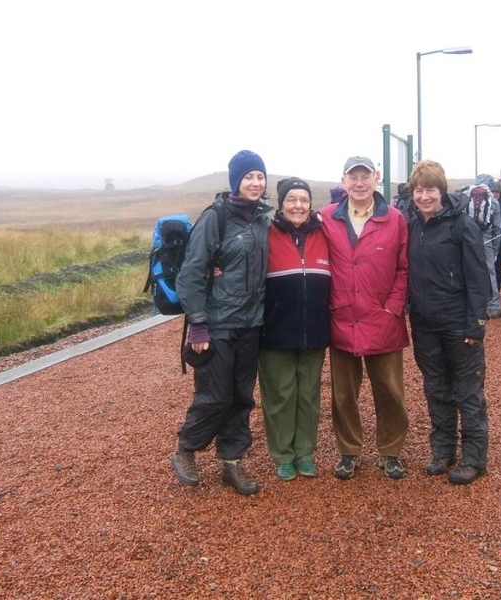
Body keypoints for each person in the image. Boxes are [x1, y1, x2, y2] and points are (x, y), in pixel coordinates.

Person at [169, 149, 273, 496]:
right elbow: (191, 274)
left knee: (242, 397)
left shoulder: (262, 220)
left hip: (251, 324)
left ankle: (232, 462)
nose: (255, 183)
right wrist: (198, 323)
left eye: (260, 176)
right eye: (249, 177)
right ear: (235, 181)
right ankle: (187, 448)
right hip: (217, 324)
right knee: (214, 395)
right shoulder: (216, 218)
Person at [318, 156, 410, 480]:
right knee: (343, 394)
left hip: (383, 320)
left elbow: (403, 268)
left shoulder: (396, 219)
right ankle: (349, 451)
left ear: (376, 179)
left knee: (390, 391)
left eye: (365, 176)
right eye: (353, 176)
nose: (359, 182)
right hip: (341, 320)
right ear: (343, 181)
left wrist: (393, 307)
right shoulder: (326, 218)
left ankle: (390, 451)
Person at [405, 160, 490, 485]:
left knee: (467, 393)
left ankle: (473, 458)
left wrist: (476, 324)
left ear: (441, 191)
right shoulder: (413, 226)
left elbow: (478, 277)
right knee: (436, 390)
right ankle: (442, 451)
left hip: (459, 325)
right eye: (419, 190)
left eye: (430, 190)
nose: (425, 196)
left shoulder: (462, 226)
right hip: (425, 325)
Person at [258, 177, 331, 481]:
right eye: (292, 199)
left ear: (311, 204)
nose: (298, 205)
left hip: (314, 328)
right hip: (275, 330)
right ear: (281, 203)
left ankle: (304, 453)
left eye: (303, 199)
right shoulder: (265, 232)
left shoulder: (325, 233)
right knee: (280, 395)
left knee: (309, 394)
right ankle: (283, 454)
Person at [466, 181, 501, 318]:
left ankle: (468, 306)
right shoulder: (493, 201)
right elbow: (498, 227)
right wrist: (495, 250)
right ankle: (494, 308)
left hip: (467, 235)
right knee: (489, 272)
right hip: (485, 236)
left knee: (467, 269)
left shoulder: (466, 196)